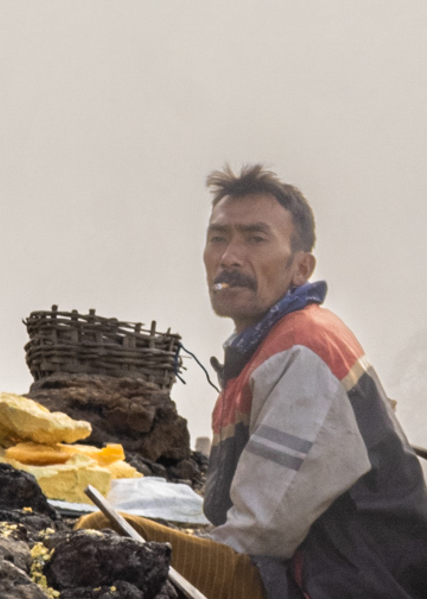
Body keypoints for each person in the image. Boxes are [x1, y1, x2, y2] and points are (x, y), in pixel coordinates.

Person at [78, 164, 427, 599]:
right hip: (306, 574)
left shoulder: (303, 351)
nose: (229, 257)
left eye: (255, 239)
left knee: (100, 534)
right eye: (218, 238)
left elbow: (260, 533)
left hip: (338, 585)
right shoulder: (267, 347)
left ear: (301, 267)